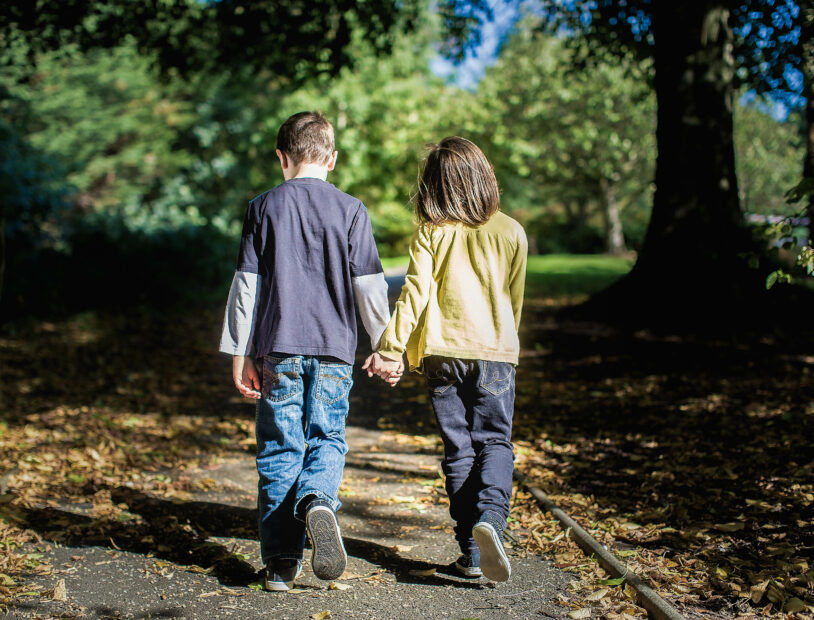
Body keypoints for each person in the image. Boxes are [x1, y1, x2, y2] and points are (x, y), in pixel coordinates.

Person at [220, 111, 400, 591]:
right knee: (328, 438)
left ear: (282, 157)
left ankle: (280, 564)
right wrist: (386, 346)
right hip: (336, 351)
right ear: (333, 159)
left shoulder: (263, 207)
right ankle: (318, 498)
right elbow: (370, 288)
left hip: (277, 348)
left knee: (279, 447)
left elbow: (246, 288)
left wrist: (240, 353)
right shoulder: (352, 209)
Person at [364, 136, 528, 582]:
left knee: (459, 451)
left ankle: (470, 555)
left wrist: (391, 349)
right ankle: (491, 521)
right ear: (484, 178)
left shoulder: (433, 231)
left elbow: (414, 295)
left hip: (443, 356)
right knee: (494, 442)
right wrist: (506, 350)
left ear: (435, 186)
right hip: (496, 354)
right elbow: (514, 300)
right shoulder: (512, 230)